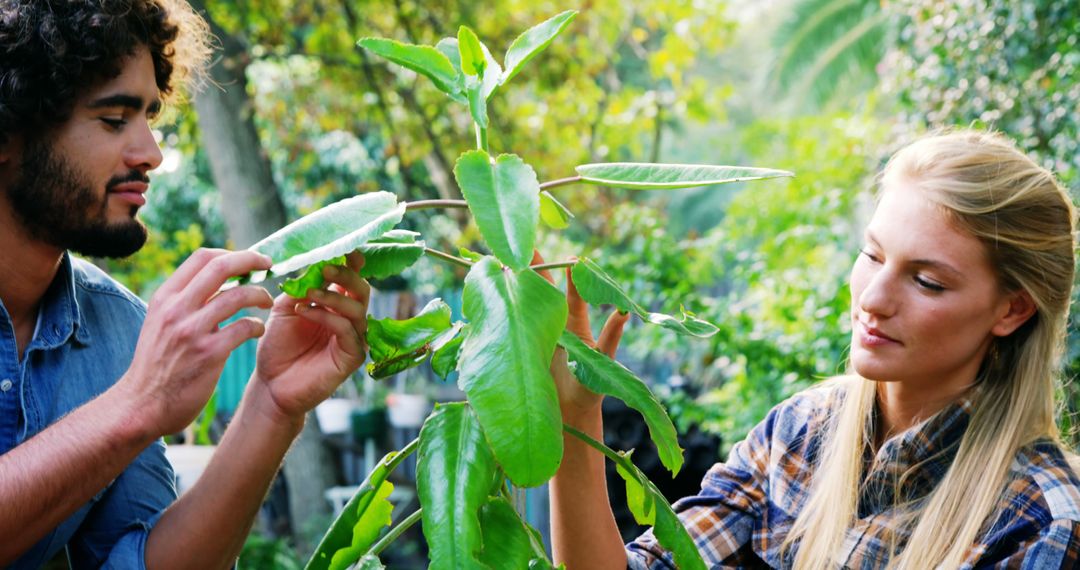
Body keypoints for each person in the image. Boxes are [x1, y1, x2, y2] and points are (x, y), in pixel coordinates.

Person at [549, 129, 1080, 568]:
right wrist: (575, 417)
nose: (872, 300)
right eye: (872, 256)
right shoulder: (799, 434)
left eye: (927, 282)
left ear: (1012, 309)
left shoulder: (1038, 520)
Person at [0, 1, 371, 567]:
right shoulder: (136, 377)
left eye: (149, 115)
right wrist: (138, 403)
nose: (151, 152)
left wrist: (270, 409)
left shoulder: (119, 328)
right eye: (113, 118)